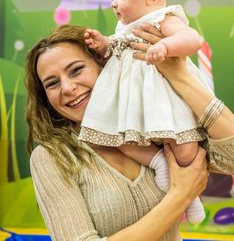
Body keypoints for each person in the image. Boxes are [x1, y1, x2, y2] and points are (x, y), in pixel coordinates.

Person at [26, 24, 234, 241]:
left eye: (76, 70)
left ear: (104, 66)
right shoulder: (52, 157)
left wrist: (180, 76)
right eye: (52, 83)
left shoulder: (152, 125)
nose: (67, 87)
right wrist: (180, 196)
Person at [79, 0, 209, 223]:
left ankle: (190, 195)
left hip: (164, 97)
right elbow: (115, 48)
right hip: (131, 102)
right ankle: (157, 161)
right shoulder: (124, 27)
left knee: (185, 149)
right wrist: (102, 43)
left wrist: (165, 46)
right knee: (117, 138)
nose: (113, 3)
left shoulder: (164, 18)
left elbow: (192, 39)